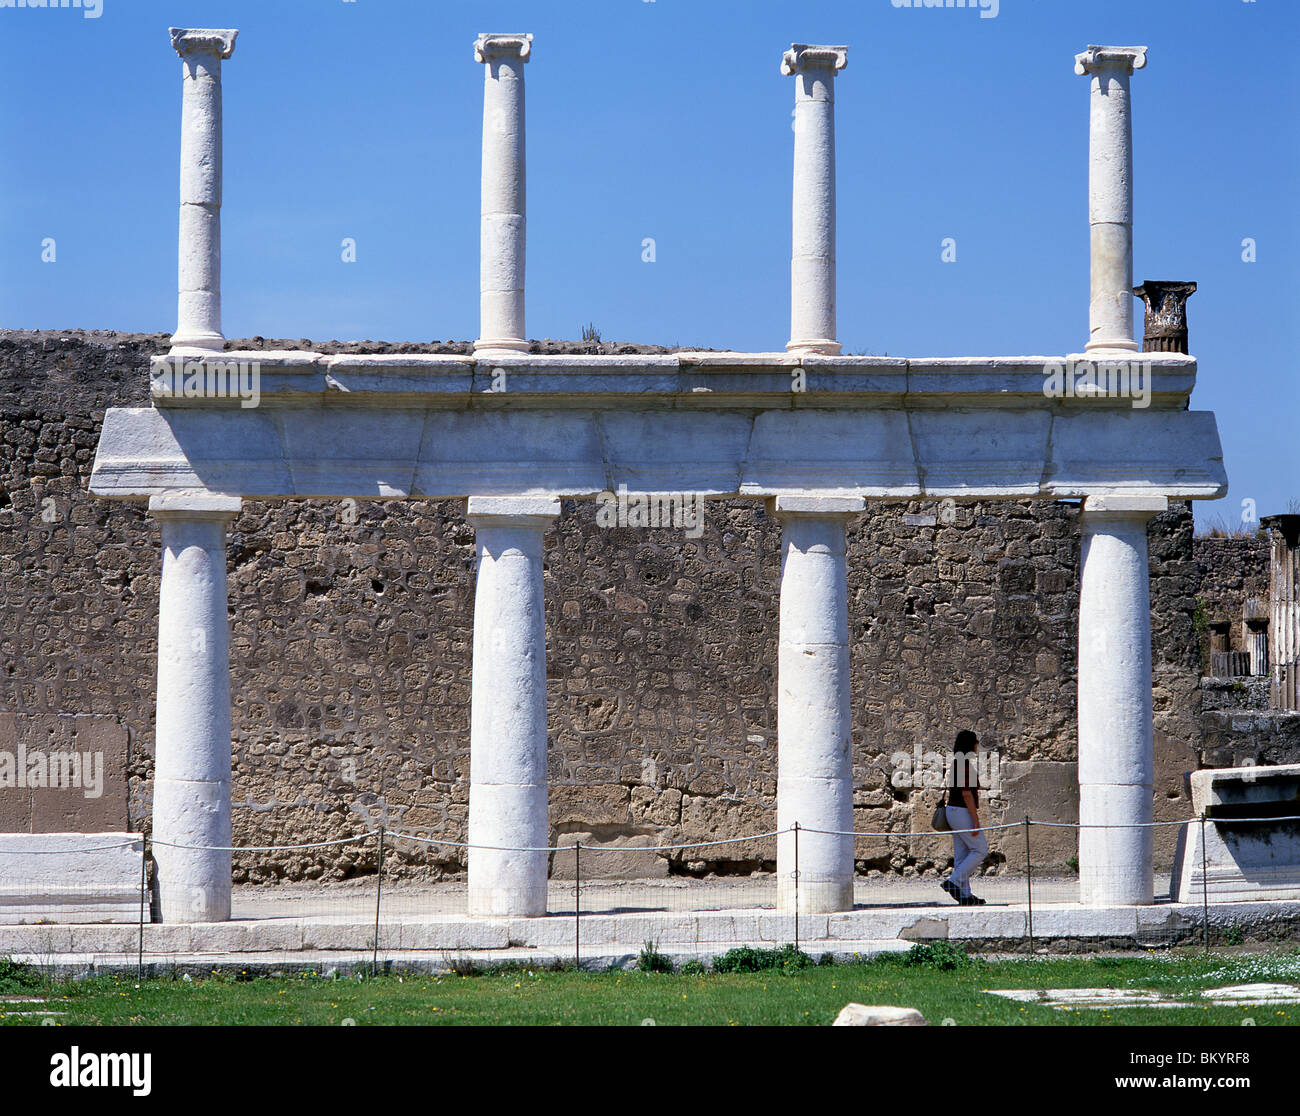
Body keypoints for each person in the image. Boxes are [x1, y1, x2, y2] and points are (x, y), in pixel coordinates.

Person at [940, 730, 987, 906]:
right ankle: (953, 881)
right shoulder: (963, 764)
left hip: (954, 811)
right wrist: (975, 820)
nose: (977, 745)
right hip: (962, 812)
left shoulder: (957, 763)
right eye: (975, 742)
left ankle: (965, 895)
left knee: (962, 855)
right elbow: (967, 794)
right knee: (980, 849)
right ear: (970, 745)